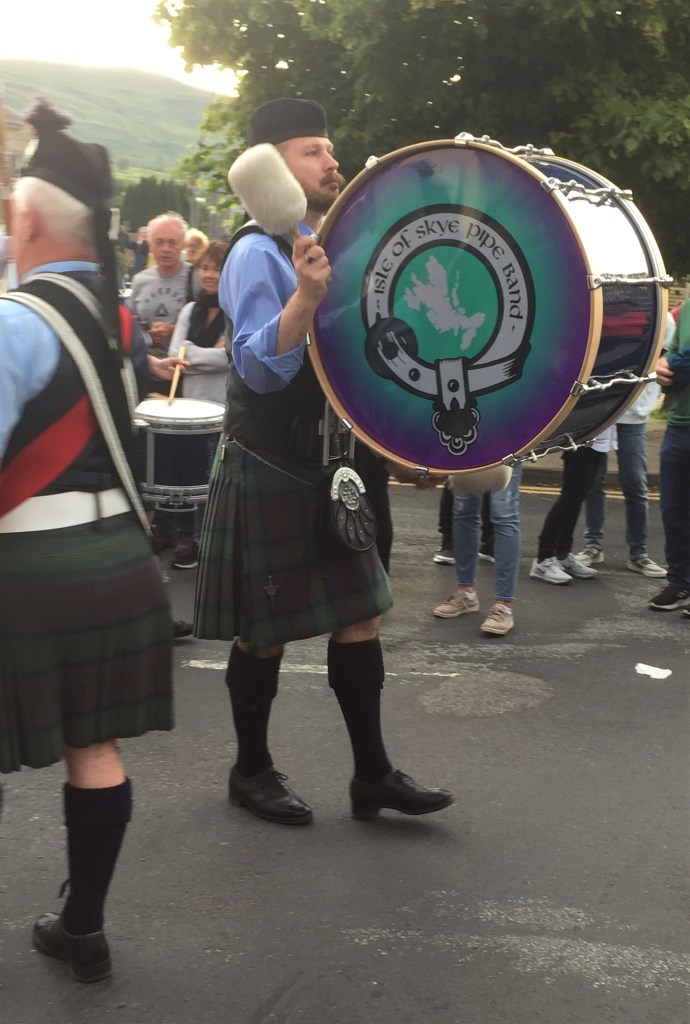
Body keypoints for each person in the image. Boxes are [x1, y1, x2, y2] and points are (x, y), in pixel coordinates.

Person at [194, 97, 452, 825]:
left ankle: (372, 775)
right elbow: (258, 367)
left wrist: (405, 446)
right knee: (265, 631)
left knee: (362, 615)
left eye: (329, 148)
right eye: (312, 150)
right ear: (272, 168)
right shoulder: (255, 252)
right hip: (272, 460)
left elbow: (361, 364)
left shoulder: (340, 242)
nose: (331, 161)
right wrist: (305, 296)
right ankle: (250, 770)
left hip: (340, 463)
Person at [0, 99, 175, 982]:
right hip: (120, 564)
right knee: (94, 749)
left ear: (25, 219)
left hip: (31, 572)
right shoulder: (115, 319)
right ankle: (84, 926)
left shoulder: (15, 320)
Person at [577, 318, 671, 578]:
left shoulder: (660, 317)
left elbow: (664, 361)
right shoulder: (605, 311)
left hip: (632, 416)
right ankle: (593, 545)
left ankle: (638, 553)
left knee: (635, 484)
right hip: (601, 411)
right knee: (594, 482)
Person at [167, 240, 230, 569]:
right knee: (185, 474)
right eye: (204, 268)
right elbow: (174, 355)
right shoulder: (189, 310)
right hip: (187, 408)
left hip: (219, 410)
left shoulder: (235, 309)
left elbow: (228, 357)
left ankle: (207, 541)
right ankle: (185, 538)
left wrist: (190, 352)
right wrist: (204, 354)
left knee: (211, 478)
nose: (210, 275)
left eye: (217, 268)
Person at [433, 464, 523, 635]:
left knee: (504, 513)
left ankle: (504, 605)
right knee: (463, 509)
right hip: (471, 446)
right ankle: (467, 593)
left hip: (507, 447)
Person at [529, 428, 616, 584]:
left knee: (577, 498)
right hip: (581, 436)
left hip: (599, 438)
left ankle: (562, 554)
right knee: (570, 497)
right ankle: (543, 559)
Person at [649, 297, 690, 613]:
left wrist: (677, 362)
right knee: (674, 510)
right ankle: (680, 583)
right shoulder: (688, 309)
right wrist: (664, 365)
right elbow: (672, 355)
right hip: (678, 424)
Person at [129, 211, 189, 358]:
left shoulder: (196, 278)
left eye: (172, 242)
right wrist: (145, 334)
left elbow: (209, 325)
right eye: (159, 242)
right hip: (147, 363)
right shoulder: (139, 280)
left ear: (183, 244)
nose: (165, 249)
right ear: (150, 244)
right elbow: (131, 325)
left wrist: (174, 330)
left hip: (185, 364)